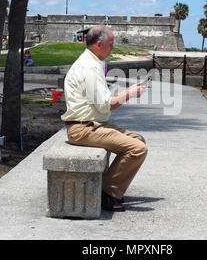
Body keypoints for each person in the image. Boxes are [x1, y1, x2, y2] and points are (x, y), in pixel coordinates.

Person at [61, 25, 147, 212]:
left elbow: (102, 103)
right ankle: (106, 193)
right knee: (137, 149)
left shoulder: (91, 62)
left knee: (138, 140)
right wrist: (130, 93)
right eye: (111, 45)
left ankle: (109, 187)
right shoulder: (89, 67)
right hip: (83, 128)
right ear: (99, 44)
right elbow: (106, 105)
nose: (113, 48)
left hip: (93, 124)